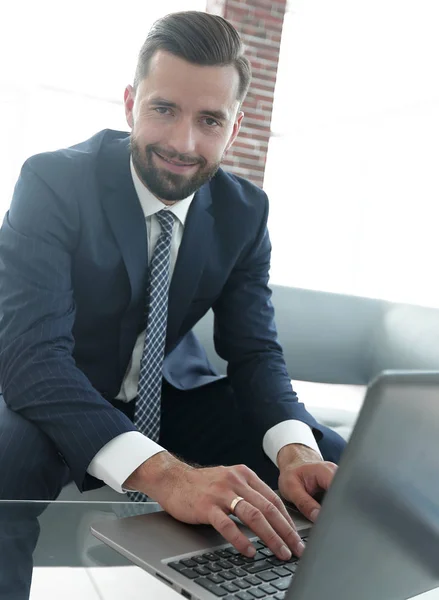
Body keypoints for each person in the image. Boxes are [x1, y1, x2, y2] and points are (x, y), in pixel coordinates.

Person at [0, 10, 346, 599]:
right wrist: (165, 474)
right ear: (131, 102)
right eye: (164, 109)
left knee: (330, 465)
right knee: (6, 458)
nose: (183, 143)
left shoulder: (245, 211)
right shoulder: (54, 182)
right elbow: (32, 356)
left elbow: (256, 351)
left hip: (170, 394)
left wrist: (293, 450)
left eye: (209, 120)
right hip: (57, 389)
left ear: (233, 129)